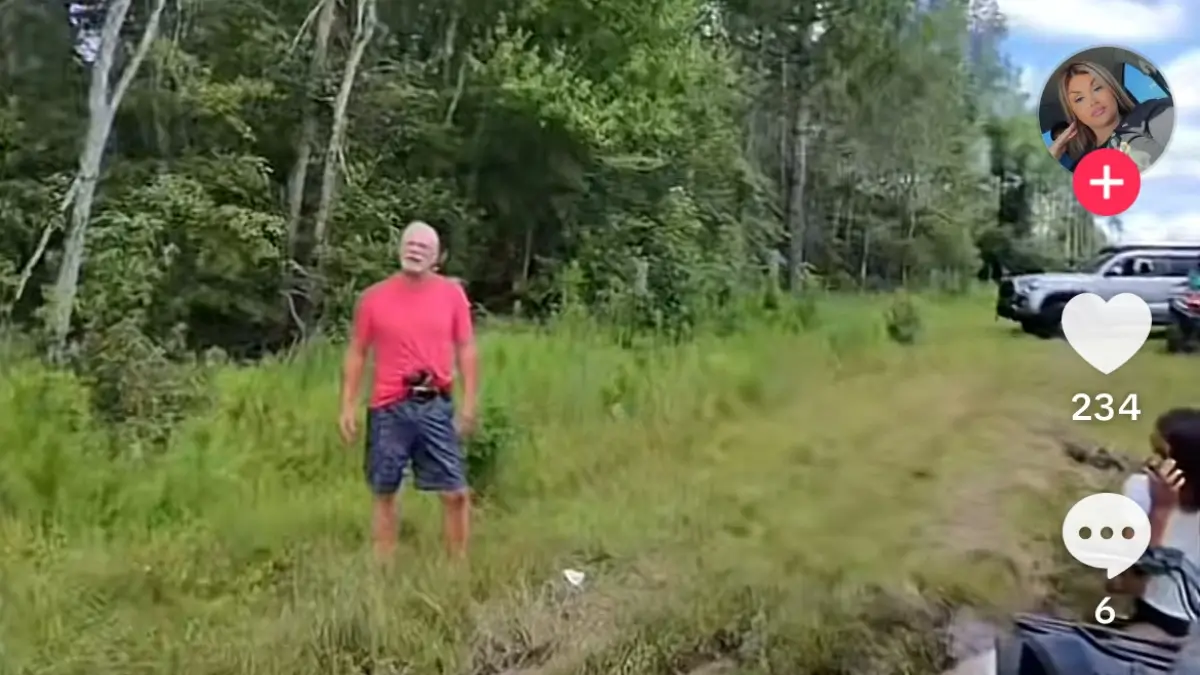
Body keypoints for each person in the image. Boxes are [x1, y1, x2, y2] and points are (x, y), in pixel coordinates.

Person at [338, 221, 478, 561]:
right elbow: (357, 351)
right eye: (410, 243)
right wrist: (348, 404)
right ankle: (383, 566)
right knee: (385, 490)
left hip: (435, 405)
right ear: (400, 248)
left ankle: (456, 566)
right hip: (388, 407)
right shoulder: (373, 299)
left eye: (423, 246)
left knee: (454, 492)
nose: (415, 249)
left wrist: (470, 403)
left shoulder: (451, 295)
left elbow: (466, 348)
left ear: (436, 258)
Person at [1108, 408, 1200, 639]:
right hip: (1157, 620)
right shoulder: (1140, 491)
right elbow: (1122, 584)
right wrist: (1160, 513)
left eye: (1161, 454)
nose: (1151, 461)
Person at [1047, 61, 1173, 172]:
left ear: (1111, 89)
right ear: (1073, 112)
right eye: (1079, 99)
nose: (1092, 101)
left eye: (1097, 88)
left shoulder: (1151, 113)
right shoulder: (1083, 167)